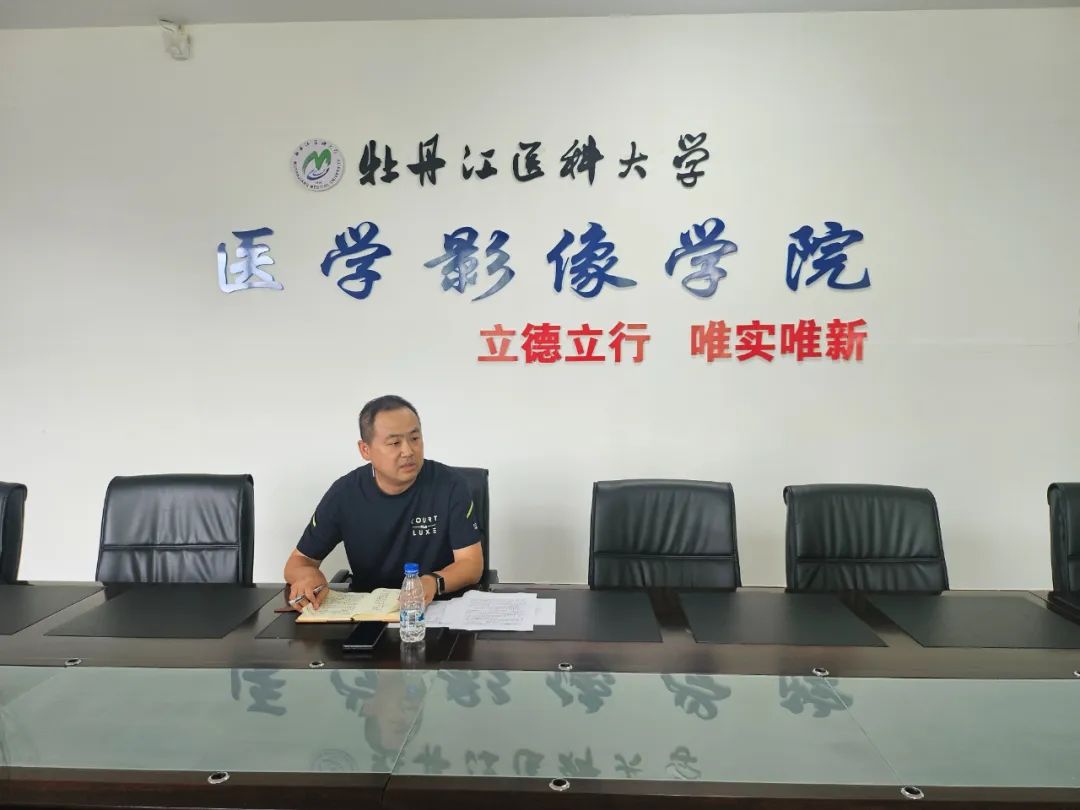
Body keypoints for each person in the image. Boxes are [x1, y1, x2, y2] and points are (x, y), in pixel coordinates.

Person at [283, 395, 484, 611]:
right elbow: (299, 560)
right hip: (369, 612)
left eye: (415, 438)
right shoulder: (345, 494)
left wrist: (432, 582)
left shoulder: (450, 485)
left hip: (435, 607)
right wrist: (307, 576)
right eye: (395, 443)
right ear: (365, 450)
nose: (408, 451)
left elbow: (471, 564)